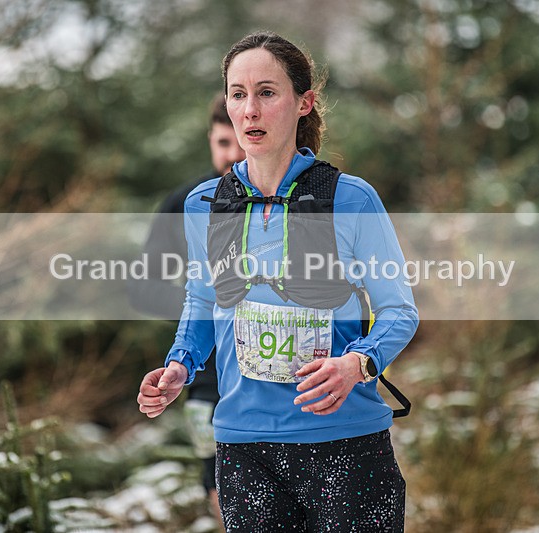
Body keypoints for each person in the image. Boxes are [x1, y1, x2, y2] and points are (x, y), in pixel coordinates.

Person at [137, 31, 418, 531]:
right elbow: (202, 300)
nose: (249, 111)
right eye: (238, 94)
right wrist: (179, 365)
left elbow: (399, 312)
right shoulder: (203, 203)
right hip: (245, 449)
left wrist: (357, 363)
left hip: (345, 443)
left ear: (304, 102)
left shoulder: (350, 199)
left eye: (267, 93)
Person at [129, 94, 244, 528]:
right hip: (207, 377)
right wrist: (206, 308)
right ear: (210, 141)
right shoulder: (187, 204)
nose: (232, 156)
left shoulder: (292, 198)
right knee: (221, 484)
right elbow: (142, 287)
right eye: (221, 143)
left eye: (239, 143)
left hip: (283, 368)